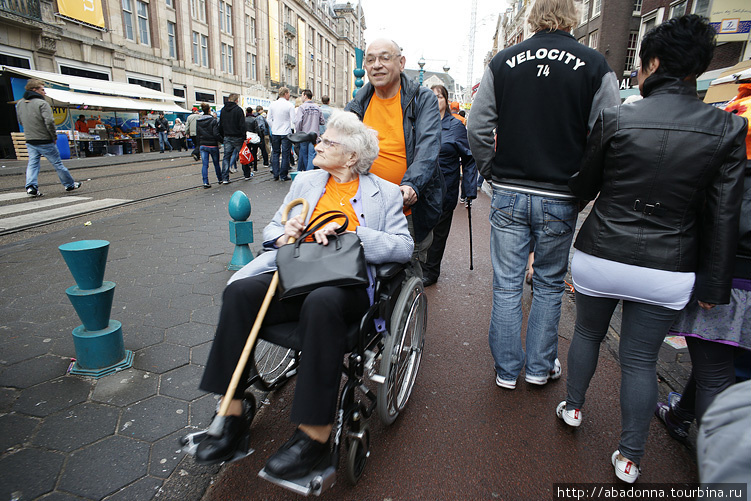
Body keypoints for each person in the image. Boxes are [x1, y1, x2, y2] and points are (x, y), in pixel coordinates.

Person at [555, 15, 747, 484]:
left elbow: (585, 185)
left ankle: (574, 408)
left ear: (654, 63)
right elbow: (722, 215)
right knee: (641, 359)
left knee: (586, 335)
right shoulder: (725, 129)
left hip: (602, 252)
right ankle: (630, 456)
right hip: (670, 264)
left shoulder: (618, 116)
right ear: (696, 68)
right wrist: (715, 286)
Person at [195, 111, 413, 480]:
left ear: (351, 156)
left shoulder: (385, 193)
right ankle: (231, 413)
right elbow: (274, 226)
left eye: (328, 141)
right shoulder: (307, 181)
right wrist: (285, 234)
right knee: (242, 293)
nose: (318, 143)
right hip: (298, 272)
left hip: (348, 285)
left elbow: (404, 247)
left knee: (322, 301)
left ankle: (316, 435)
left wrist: (355, 235)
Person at [466, 0, 620, 391]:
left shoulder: (503, 61)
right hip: (560, 192)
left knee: (506, 284)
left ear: (533, 16)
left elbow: (478, 125)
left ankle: (506, 371)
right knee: (549, 283)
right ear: (575, 16)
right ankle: (538, 367)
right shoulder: (594, 65)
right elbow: (607, 133)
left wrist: (490, 172)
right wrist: (583, 187)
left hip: (511, 189)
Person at [655, 82, 751, 443]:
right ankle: (680, 414)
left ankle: (719, 469)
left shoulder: (733, 118)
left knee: (716, 371)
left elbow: (717, 212)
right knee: (721, 360)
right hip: (735, 272)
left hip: (733, 275)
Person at [345, 38, 444, 278]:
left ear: (401, 63)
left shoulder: (422, 99)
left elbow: (428, 148)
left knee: (406, 273)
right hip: (362, 207)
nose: (376, 65)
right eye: (370, 59)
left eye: (384, 58)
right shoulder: (358, 104)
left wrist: (412, 185)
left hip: (405, 209)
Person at [421, 85, 477, 287]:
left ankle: (431, 270)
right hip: (421, 186)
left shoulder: (455, 127)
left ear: (446, 100)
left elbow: (469, 159)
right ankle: (418, 265)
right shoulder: (420, 123)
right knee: (419, 228)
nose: (435, 100)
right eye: (430, 97)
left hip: (445, 186)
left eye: (439, 97)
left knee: (438, 231)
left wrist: (469, 190)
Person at [16, 78, 81, 196]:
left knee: (33, 163)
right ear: (34, 90)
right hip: (44, 139)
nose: (44, 92)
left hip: (30, 139)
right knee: (57, 163)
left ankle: (31, 187)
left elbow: (21, 121)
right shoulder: (42, 103)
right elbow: (49, 121)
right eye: (42, 89)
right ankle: (69, 184)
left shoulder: (20, 103)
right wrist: (53, 136)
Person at [267, 87, 296, 181]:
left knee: (275, 152)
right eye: (289, 93)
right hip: (286, 132)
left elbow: (268, 119)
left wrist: (273, 127)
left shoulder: (272, 104)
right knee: (285, 153)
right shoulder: (289, 105)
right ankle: (283, 175)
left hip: (275, 132)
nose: (289, 95)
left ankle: (275, 173)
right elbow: (294, 120)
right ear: (286, 93)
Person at [294, 89, 324, 172]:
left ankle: (305, 173)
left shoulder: (302, 107)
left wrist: (298, 132)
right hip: (314, 135)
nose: (301, 97)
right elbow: (322, 121)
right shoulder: (317, 107)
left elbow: (299, 121)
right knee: (312, 155)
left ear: (305, 96)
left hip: (304, 135)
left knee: (304, 154)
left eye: (302, 95)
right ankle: (310, 172)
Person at [219, 93, 246, 181]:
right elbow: (242, 125)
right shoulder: (238, 110)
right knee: (243, 156)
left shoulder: (223, 110)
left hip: (227, 136)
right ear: (236, 100)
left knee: (226, 157)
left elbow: (221, 124)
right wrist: (244, 136)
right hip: (238, 136)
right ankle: (247, 174)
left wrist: (223, 136)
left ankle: (225, 178)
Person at [196, 102, 224, 188]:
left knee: (205, 164)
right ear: (209, 110)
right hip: (212, 145)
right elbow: (216, 134)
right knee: (216, 164)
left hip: (203, 145)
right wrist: (222, 141)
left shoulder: (199, 121)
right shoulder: (213, 120)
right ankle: (220, 179)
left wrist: (198, 145)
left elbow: (198, 134)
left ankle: (205, 182)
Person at [243, 107, 258, 180]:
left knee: (247, 152)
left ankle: (249, 165)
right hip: (254, 136)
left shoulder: (244, 119)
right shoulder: (254, 119)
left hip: (247, 137)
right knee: (254, 152)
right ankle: (255, 167)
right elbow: (257, 128)